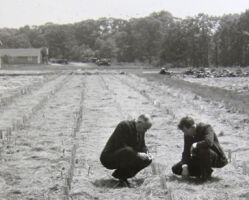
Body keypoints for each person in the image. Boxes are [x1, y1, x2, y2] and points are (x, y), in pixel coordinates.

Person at [100, 114, 153, 186]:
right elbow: (121, 145)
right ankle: (122, 178)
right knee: (128, 151)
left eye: (147, 129)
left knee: (147, 160)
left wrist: (147, 153)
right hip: (109, 157)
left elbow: (142, 146)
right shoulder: (124, 126)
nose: (145, 131)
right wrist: (138, 154)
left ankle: (121, 175)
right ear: (139, 122)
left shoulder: (141, 131)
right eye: (145, 128)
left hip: (127, 154)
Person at [172, 116, 228, 181]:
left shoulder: (206, 127)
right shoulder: (187, 134)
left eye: (185, 131)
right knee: (176, 169)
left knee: (202, 149)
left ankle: (206, 176)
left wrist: (195, 145)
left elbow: (209, 142)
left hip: (216, 158)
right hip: (199, 158)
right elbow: (186, 152)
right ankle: (200, 173)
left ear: (192, 127)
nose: (185, 133)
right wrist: (185, 167)